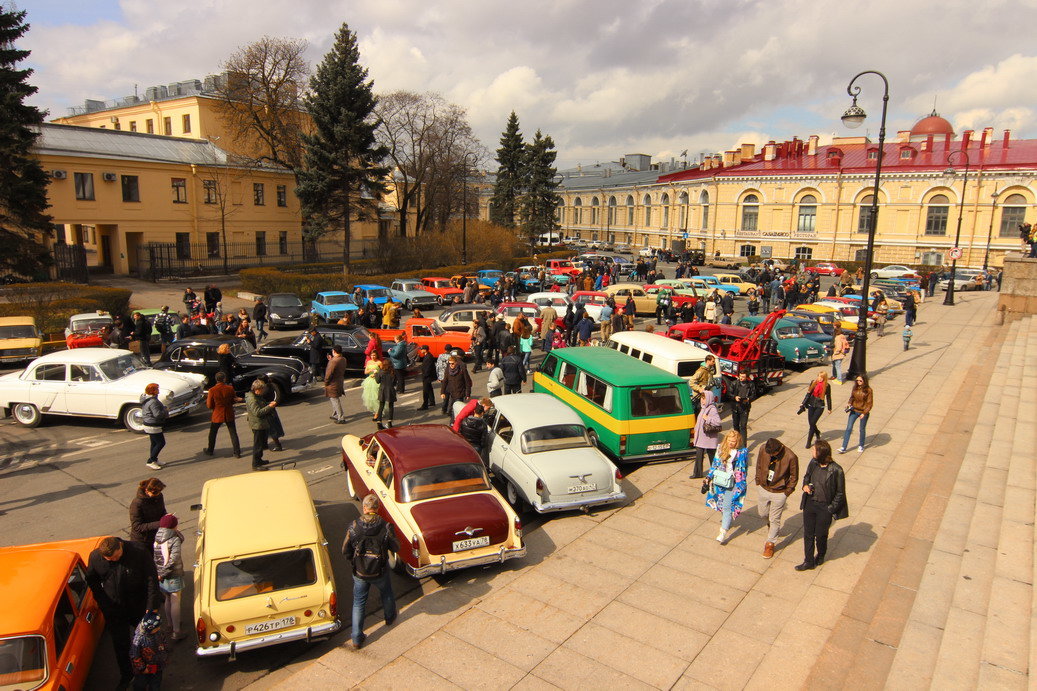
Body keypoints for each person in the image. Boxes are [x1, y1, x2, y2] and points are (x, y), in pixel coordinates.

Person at [86, 536, 163, 686]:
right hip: (114, 609)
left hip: (139, 606)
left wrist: (151, 608)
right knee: (120, 644)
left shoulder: (138, 552)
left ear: (120, 546)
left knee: (147, 643)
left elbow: (151, 580)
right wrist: (103, 602)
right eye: (109, 559)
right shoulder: (95, 557)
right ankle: (127, 675)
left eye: (116, 557)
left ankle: (152, 676)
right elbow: (92, 580)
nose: (113, 560)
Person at [342, 493, 398, 650]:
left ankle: (356, 638)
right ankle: (389, 617)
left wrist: (353, 561)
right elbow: (396, 547)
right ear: (377, 509)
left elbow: (345, 550)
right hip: (379, 570)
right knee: (386, 593)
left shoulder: (353, 526)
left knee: (359, 602)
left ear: (364, 508)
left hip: (360, 572)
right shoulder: (386, 526)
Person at [796, 439, 849, 571]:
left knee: (820, 535)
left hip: (824, 507)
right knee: (808, 534)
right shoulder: (813, 463)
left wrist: (830, 509)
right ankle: (808, 561)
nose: (811, 451)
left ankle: (820, 555)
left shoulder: (836, 470)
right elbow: (807, 476)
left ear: (821, 453)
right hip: (810, 503)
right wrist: (805, 486)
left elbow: (840, 493)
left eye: (814, 450)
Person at [755, 437, 799, 559]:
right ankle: (772, 528)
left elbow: (794, 477)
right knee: (763, 514)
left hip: (779, 492)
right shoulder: (763, 449)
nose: (771, 455)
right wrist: (758, 480)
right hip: (764, 487)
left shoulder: (791, 457)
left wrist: (787, 491)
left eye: (773, 454)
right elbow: (759, 465)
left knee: (775, 519)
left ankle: (770, 544)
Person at [703, 430, 749, 544]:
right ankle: (726, 520)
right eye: (729, 440)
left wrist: (741, 482)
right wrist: (708, 477)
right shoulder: (720, 448)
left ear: (737, 441)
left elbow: (744, 468)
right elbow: (715, 464)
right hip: (720, 481)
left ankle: (722, 532)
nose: (731, 443)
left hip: (734, 483)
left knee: (727, 506)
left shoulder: (742, 452)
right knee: (721, 505)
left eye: (733, 441)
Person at [153, 514, 185, 641]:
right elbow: (174, 559)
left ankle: (170, 625)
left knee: (167, 599)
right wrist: (165, 572)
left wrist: (160, 573)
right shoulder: (174, 539)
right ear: (174, 526)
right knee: (175, 600)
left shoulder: (157, 538)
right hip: (172, 575)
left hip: (161, 575)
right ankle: (177, 632)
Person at [129, 611, 169, 690]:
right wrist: (142, 668)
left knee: (156, 683)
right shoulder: (138, 639)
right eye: (157, 627)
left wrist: (165, 655)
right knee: (140, 683)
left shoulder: (158, 632)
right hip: (145, 666)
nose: (159, 628)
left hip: (157, 664)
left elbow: (164, 643)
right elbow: (135, 655)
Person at [246, 380, 277, 470]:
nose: (263, 391)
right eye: (262, 389)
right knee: (258, 444)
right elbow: (258, 412)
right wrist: (270, 407)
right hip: (257, 424)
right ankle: (255, 464)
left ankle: (259, 459)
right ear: (257, 389)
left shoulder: (256, 396)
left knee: (261, 443)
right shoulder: (252, 399)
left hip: (261, 423)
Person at [129, 477, 167, 549]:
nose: (157, 494)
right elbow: (137, 526)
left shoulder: (159, 496)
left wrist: (167, 517)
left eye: (159, 492)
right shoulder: (137, 503)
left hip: (156, 536)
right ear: (147, 490)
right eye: (155, 493)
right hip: (142, 541)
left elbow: (162, 510)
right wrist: (160, 523)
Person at [839, 374, 874, 453]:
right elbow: (852, 397)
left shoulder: (868, 390)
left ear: (864, 381)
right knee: (848, 428)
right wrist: (849, 403)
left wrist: (864, 413)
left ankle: (861, 445)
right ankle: (843, 447)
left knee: (861, 429)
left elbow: (869, 403)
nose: (858, 382)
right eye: (857, 380)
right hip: (854, 410)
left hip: (863, 411)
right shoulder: (855, 388)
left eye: (860, 381)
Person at [691, 390, 721, 478]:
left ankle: (716, 473)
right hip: (702, 437)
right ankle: (697, 473)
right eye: (702, 398)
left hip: (709, 438)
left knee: (712, 455)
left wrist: (708, 418)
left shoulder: (712, 409)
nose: (702, 400)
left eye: (704, 398)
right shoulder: (703, 408)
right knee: (699, 456)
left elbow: (718, 422)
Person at [798, 371, 832, 449]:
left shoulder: (827, 386)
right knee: (811, 423)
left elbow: (829, 397)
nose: (819, 378)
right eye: (818, 376)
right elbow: (808, 394)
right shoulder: (813, 383)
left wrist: (829, 408)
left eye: (821, 377)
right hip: (811, 405)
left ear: (824, 378)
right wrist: (803, 403)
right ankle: (817, 432)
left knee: (813, 423)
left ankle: (809, 441)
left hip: (820, 406)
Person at [141, 384, 168, 470]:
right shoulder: (153, 402)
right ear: (153, 391)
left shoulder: (147, 399)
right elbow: (157, 415)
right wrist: (165, 410)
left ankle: (154, 459)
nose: (158, 390)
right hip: (153, 425)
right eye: (157, 389)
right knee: (161, 443)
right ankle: (151, 461)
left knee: (154, 443)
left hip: (148, 424)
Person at [256, 373, 284, 451]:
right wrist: (275, 402)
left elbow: (257, 397)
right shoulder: (271, 385)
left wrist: (274, 402)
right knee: (268, 427)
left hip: (266, 407)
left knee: (271, 427)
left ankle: (278, 445)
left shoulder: (264, 388)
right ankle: (265, 444)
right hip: (269, 407)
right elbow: (278, 395)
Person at [730, 370, 755, 443]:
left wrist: (748, 399)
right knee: (735, 425)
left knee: (743, 426)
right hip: (735, 407)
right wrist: (735, 397)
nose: (741, 378)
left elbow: (753, 395)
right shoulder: (734, 383)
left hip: (745, 408)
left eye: (743, 377)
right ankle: (736, 442)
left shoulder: (750, 384)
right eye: (740, 376)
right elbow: (729, 393)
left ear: (746, 377)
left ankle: (743, 445)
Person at [325, 345, 347, 423]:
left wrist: (326, 382)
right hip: (340, 381)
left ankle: (341, 417)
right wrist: (331, 360)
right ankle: (335, 414)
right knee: (334, 398)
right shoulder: (343, 359)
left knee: (334, 399)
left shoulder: (333, 361)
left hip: (333, 383)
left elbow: (329, 373)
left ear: (334, 351)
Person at [374, 359, 396, 429]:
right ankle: (389, 422)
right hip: (390, 390)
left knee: (381, 406)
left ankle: (379, 422)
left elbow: (378, 381)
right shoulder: (392, 372)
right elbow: (395, 383)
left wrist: (375, 373)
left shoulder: (381, 372)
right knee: (391, 406)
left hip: (382, 390)